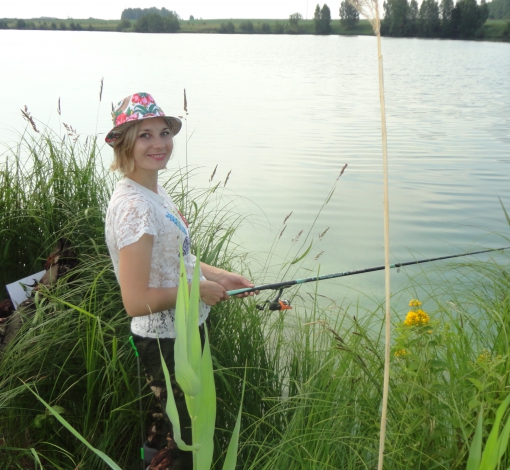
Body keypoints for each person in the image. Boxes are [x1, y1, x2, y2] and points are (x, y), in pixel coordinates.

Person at [104, 92, 255, 469]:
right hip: (163, 341)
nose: (160, 143)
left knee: (166, 429)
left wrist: (220, 275)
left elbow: (178, 260)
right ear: (124, 144)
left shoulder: (154, 190)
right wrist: (197, 291)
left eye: (164, 132)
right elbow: (135, 300)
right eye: (145, 135)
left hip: (182, 332)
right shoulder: (134, 207)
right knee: (185, 440)